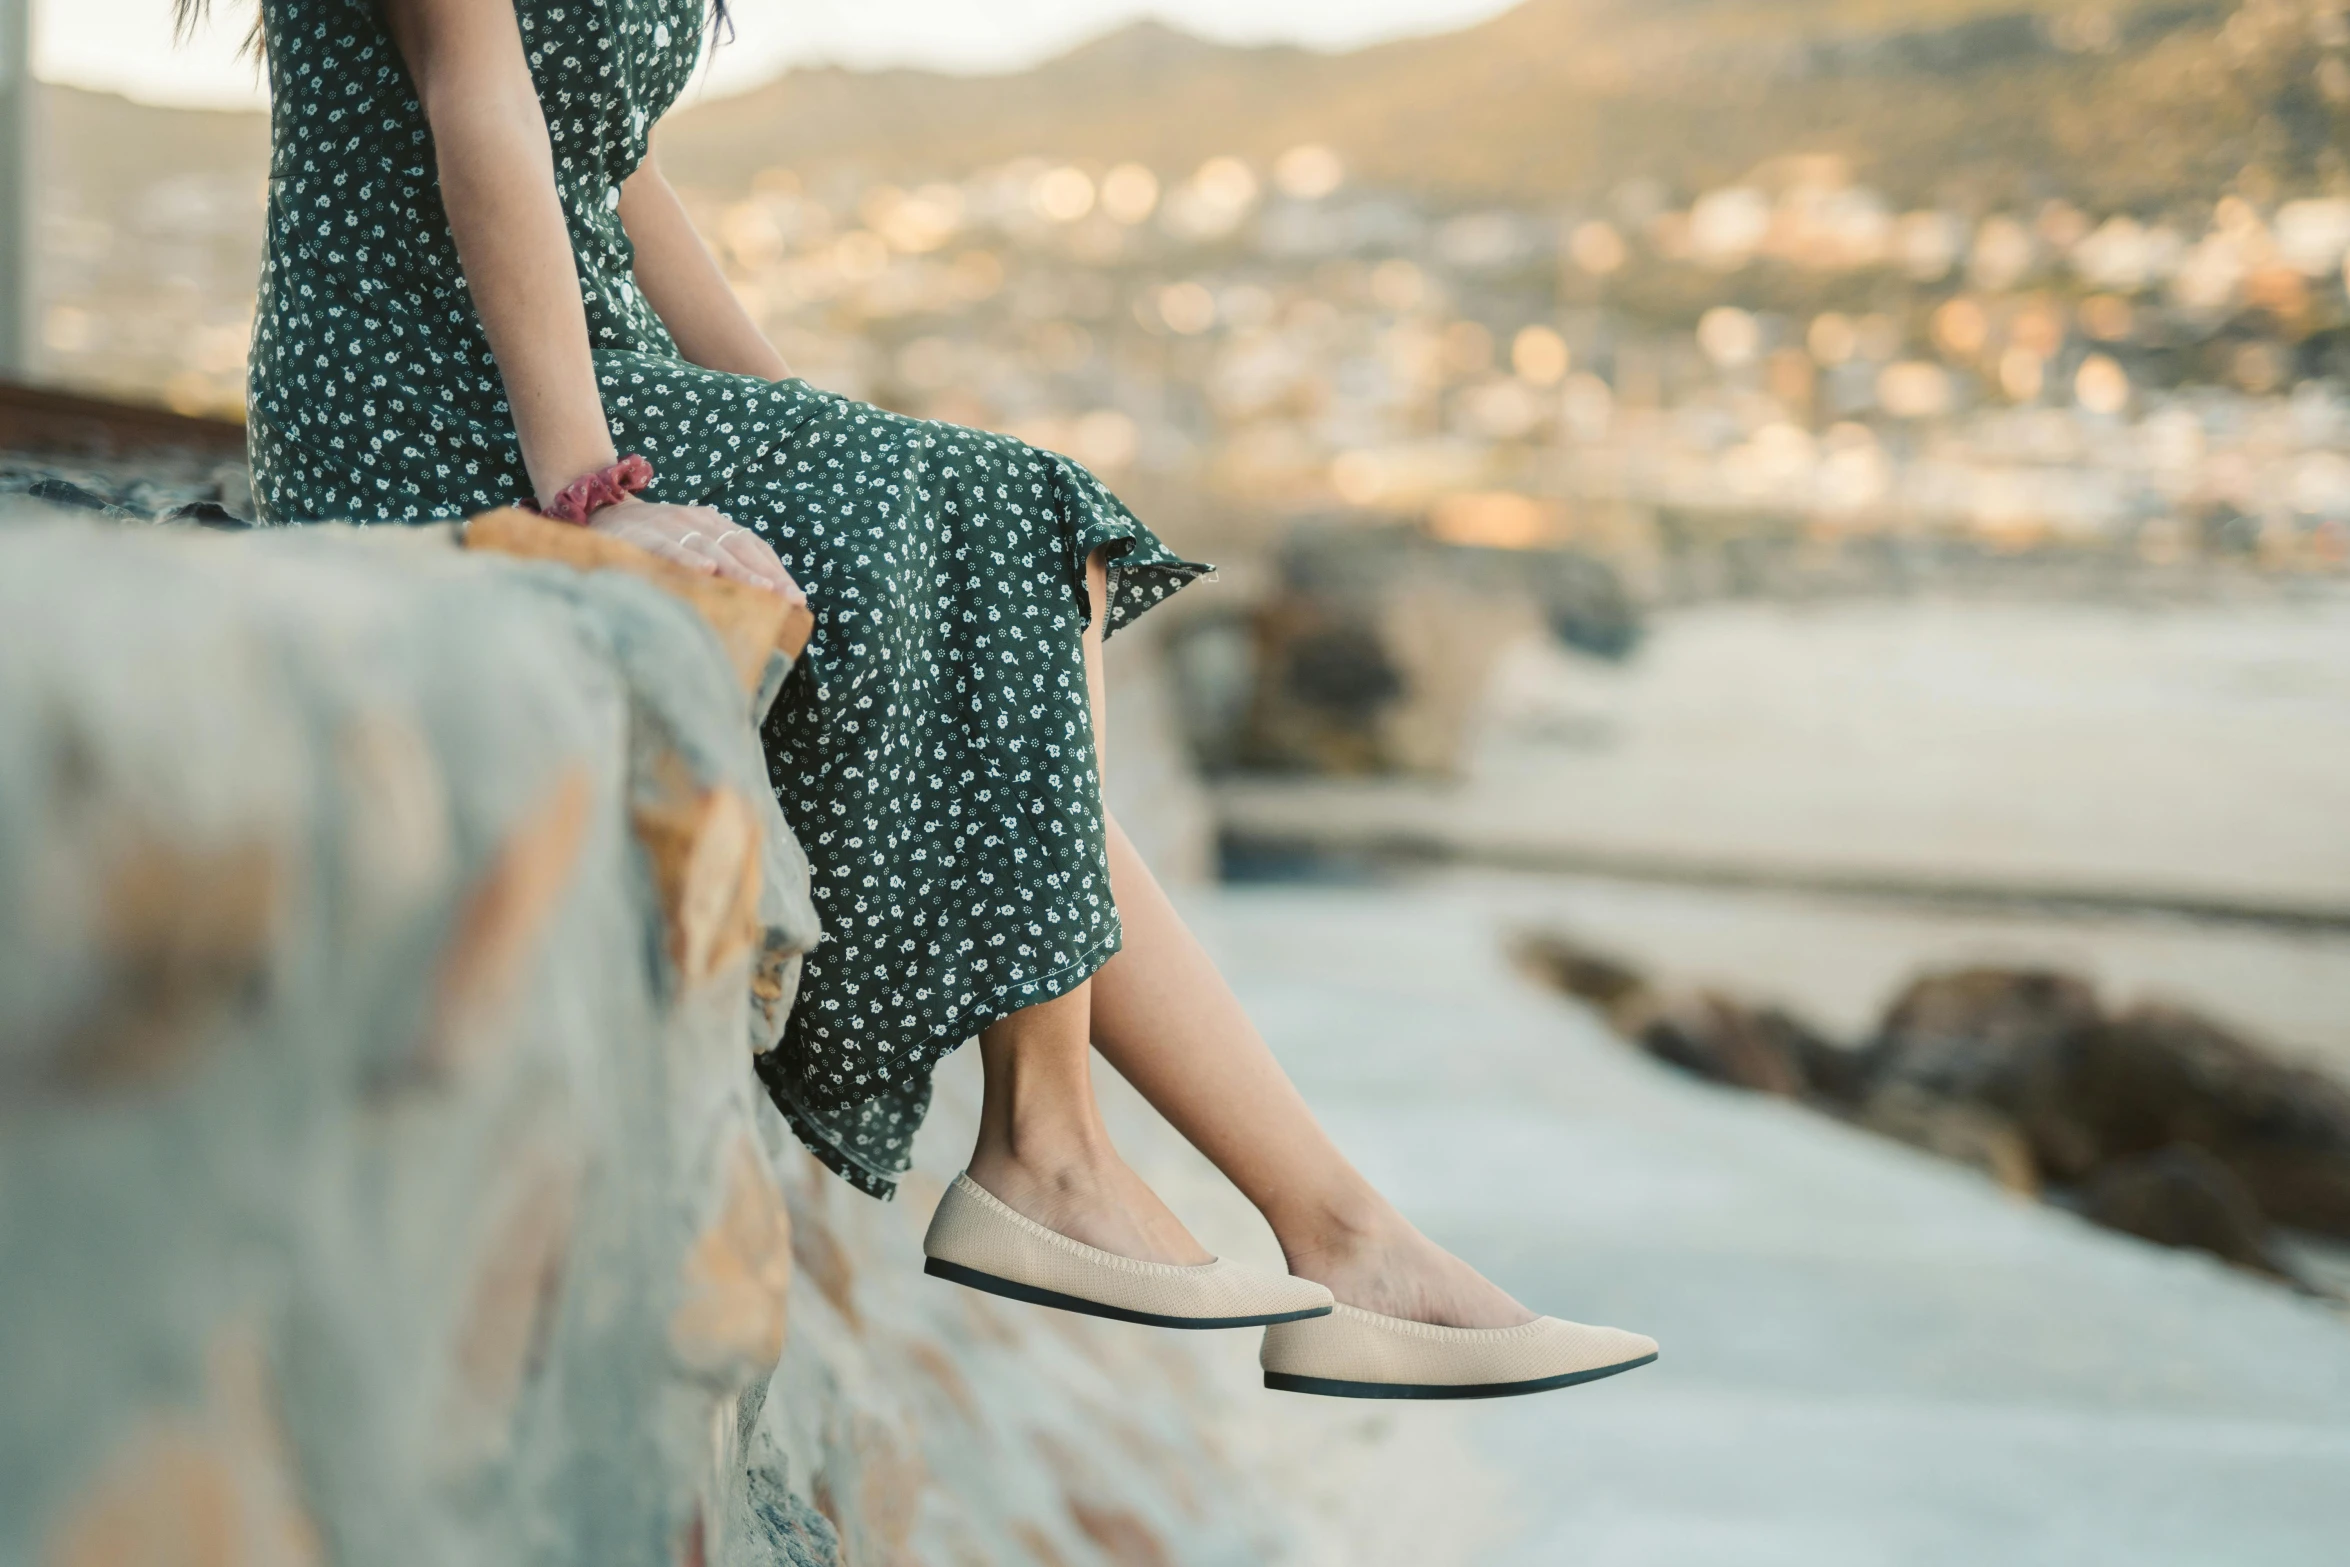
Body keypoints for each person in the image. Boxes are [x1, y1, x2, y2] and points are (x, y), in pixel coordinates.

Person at [212, 0, 1654, 1399]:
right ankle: (1072, 1156)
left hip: (576, 366)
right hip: (416, 394)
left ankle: (1329, 1233)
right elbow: (484, 101)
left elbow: (612, 160)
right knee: (1010, 511)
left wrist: (826, 442)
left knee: (1007, 534)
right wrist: (588, 491)